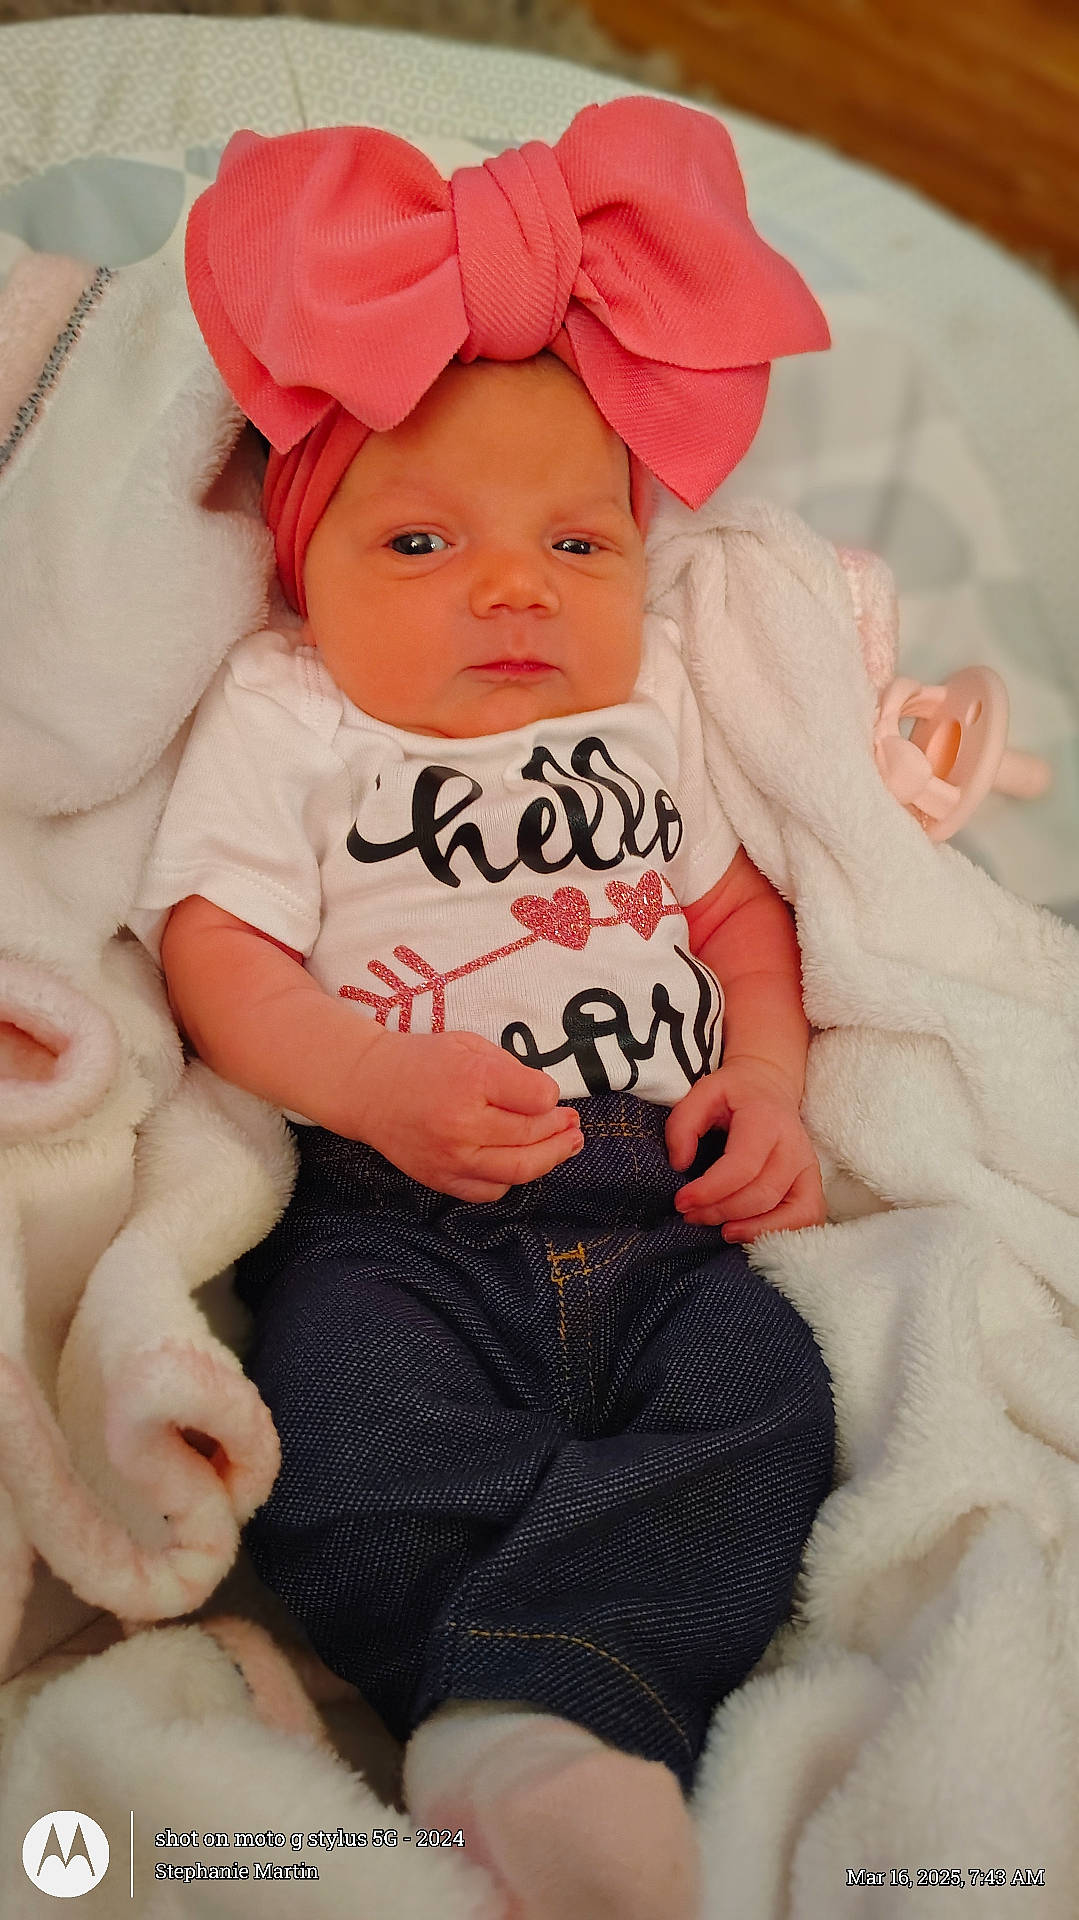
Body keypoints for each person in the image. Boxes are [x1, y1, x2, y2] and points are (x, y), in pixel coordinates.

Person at [129, 100, 836, 1920]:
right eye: (423, 548)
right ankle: (548, 1722)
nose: (515, 586)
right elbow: (215, 956)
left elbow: (744, 920)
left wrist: (763, 1079)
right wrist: (365, 1080)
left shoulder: (655, 716)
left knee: (770, 1406)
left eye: (578, 550)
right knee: (344, 1442)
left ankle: (516, 1712)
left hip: (662, 1214)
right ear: (307, 577)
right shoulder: (297, 715)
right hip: (399, 1225)